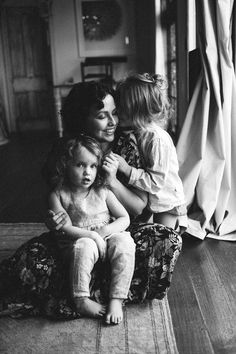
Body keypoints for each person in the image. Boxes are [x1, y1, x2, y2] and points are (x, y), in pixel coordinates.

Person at [0, 80, 182, 319]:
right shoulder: (68, 150)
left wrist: (112, 181)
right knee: (27, 264)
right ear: (82, 119)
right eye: (101, 116)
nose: (113, 122)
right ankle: (97, 289)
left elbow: (138, 209)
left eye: (115, 113)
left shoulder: (127, 146)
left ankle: (84, 290)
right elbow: (58, 202)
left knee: (167, 241)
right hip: (78, 237)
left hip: (117, 231)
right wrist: (54, 221)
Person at [48, 135, 135, 324]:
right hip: (79, 241)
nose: (87, 172)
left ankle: (117, 298)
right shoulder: (59, 194)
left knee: (125, 242)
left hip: (105, 237)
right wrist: (92, 236)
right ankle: (81, 299)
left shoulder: (102, 191)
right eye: (80, 165)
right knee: (85, 246)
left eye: (93, 166)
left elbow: (124, 218)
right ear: (65, 164)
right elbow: (66, 228)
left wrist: (103, 233)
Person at [108, 72, 187, 231]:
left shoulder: (156, 139)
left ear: (138, 111)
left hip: (166, 202)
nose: (117, 113)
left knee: (164, 239)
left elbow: (156, 183)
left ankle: (180, 223)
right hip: (151, 200)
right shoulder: (134, 132)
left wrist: (127, 169)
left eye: (121, 109)